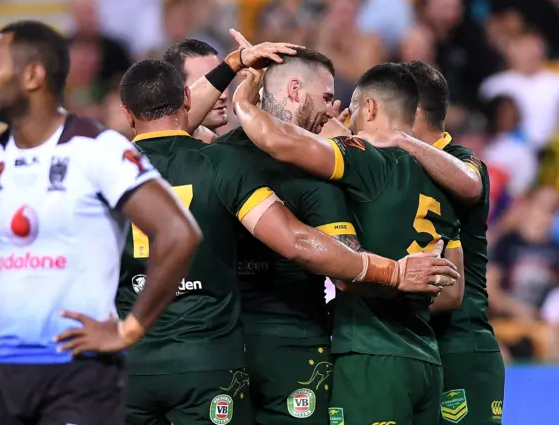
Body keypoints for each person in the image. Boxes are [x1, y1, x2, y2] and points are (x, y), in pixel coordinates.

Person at [116, 58, 460, 425]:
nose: (332, 110)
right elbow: (306, 247)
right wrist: (392, 272)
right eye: (327, 97)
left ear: (127, 112)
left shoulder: (202, 155)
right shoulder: (273, 169)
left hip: (192, 347)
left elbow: (171, 130)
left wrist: (233, 71)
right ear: (295, 91)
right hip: (280, 349)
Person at [0, 20, 203, 425]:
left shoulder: (97, 149)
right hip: (3, 376)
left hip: (81, 374)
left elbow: (179, 233)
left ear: (33, 75)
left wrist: (129, 330)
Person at [234, 62, 465, 425]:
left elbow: (279, 140)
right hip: (425, 357)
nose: (347, 119)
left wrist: (245, 103)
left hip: (370, 354)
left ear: (370, 108)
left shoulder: (366, 161)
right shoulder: (446, 179)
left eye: (354, 110)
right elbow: (453, 291)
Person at [385, 61, 505, 424]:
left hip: (460, 343)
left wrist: (402, 139)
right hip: (408, 343)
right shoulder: (392, 164)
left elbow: (471, 182)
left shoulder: (463, 160)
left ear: (415, 113)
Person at [164, 39, 227, 143]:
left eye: (223, 81)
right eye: (206, 85)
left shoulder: (238, 149)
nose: (223, 95)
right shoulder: (155, 156)